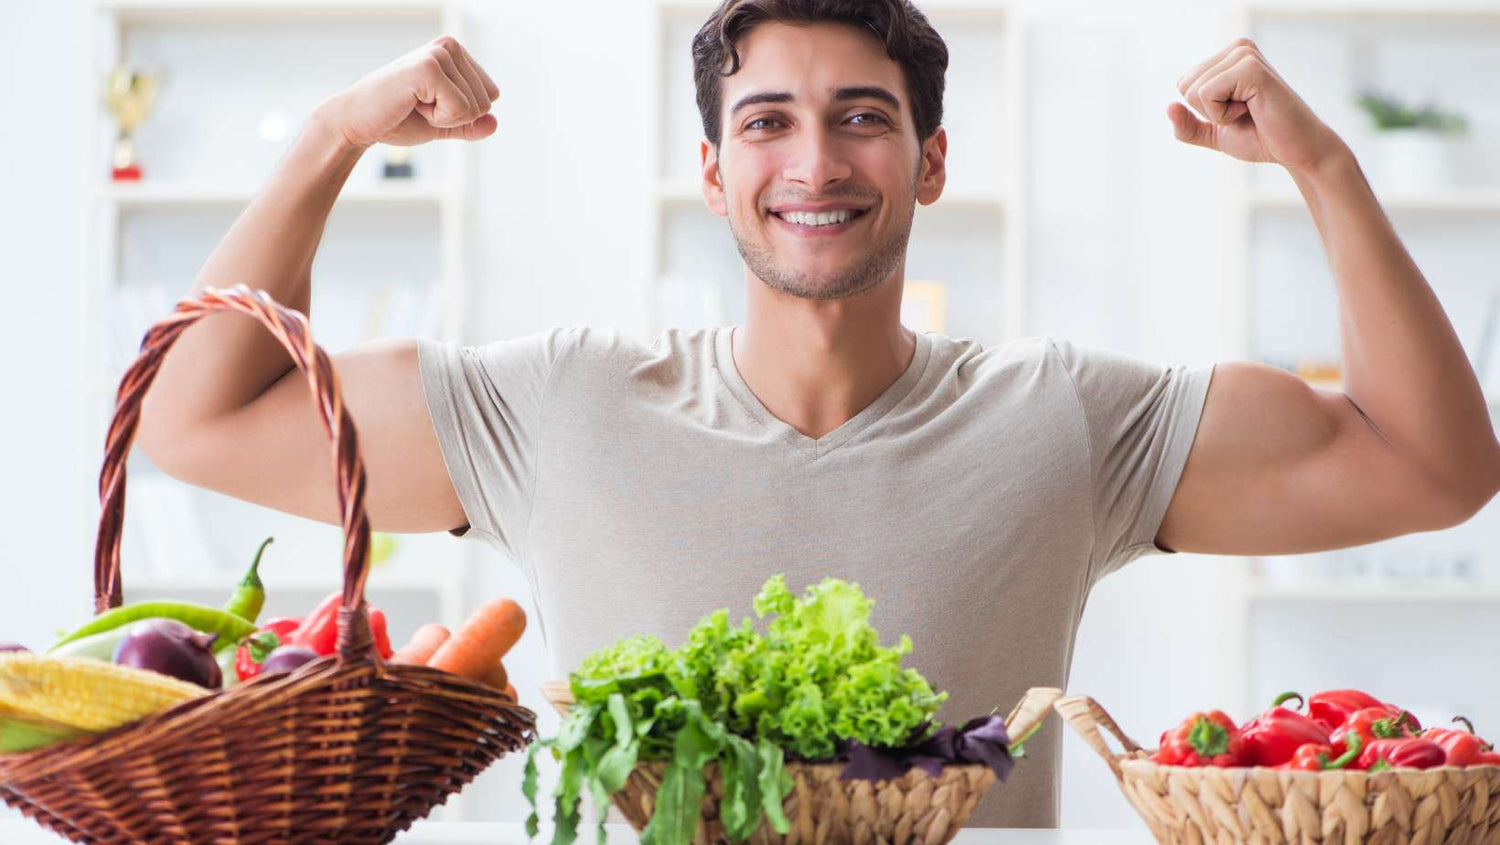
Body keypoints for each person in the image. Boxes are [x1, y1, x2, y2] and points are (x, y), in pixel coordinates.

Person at [136, 0, 1500, 829]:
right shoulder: (550, 403)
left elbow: (1434, 467)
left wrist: (1319, 164)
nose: (816, 160)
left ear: (931, 161)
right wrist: (330, 137)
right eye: (772, 121)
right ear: (718, 171)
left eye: (861, 117)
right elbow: (196, 415)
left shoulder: (1066, 417)